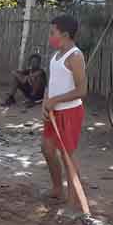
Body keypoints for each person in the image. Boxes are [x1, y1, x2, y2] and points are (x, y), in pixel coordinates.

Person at [41, 15, 87, 207]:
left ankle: (72, 200)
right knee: (47, 148)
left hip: (69, 113)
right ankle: (57, 189)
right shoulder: (56, 55)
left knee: (67, 155)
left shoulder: (75, 56)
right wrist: (45, 103)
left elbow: (81, 90)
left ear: (65, 34)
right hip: (53, 112)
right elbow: (51, 84)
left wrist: (56, 100)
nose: (50, 37)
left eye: (53, 33)